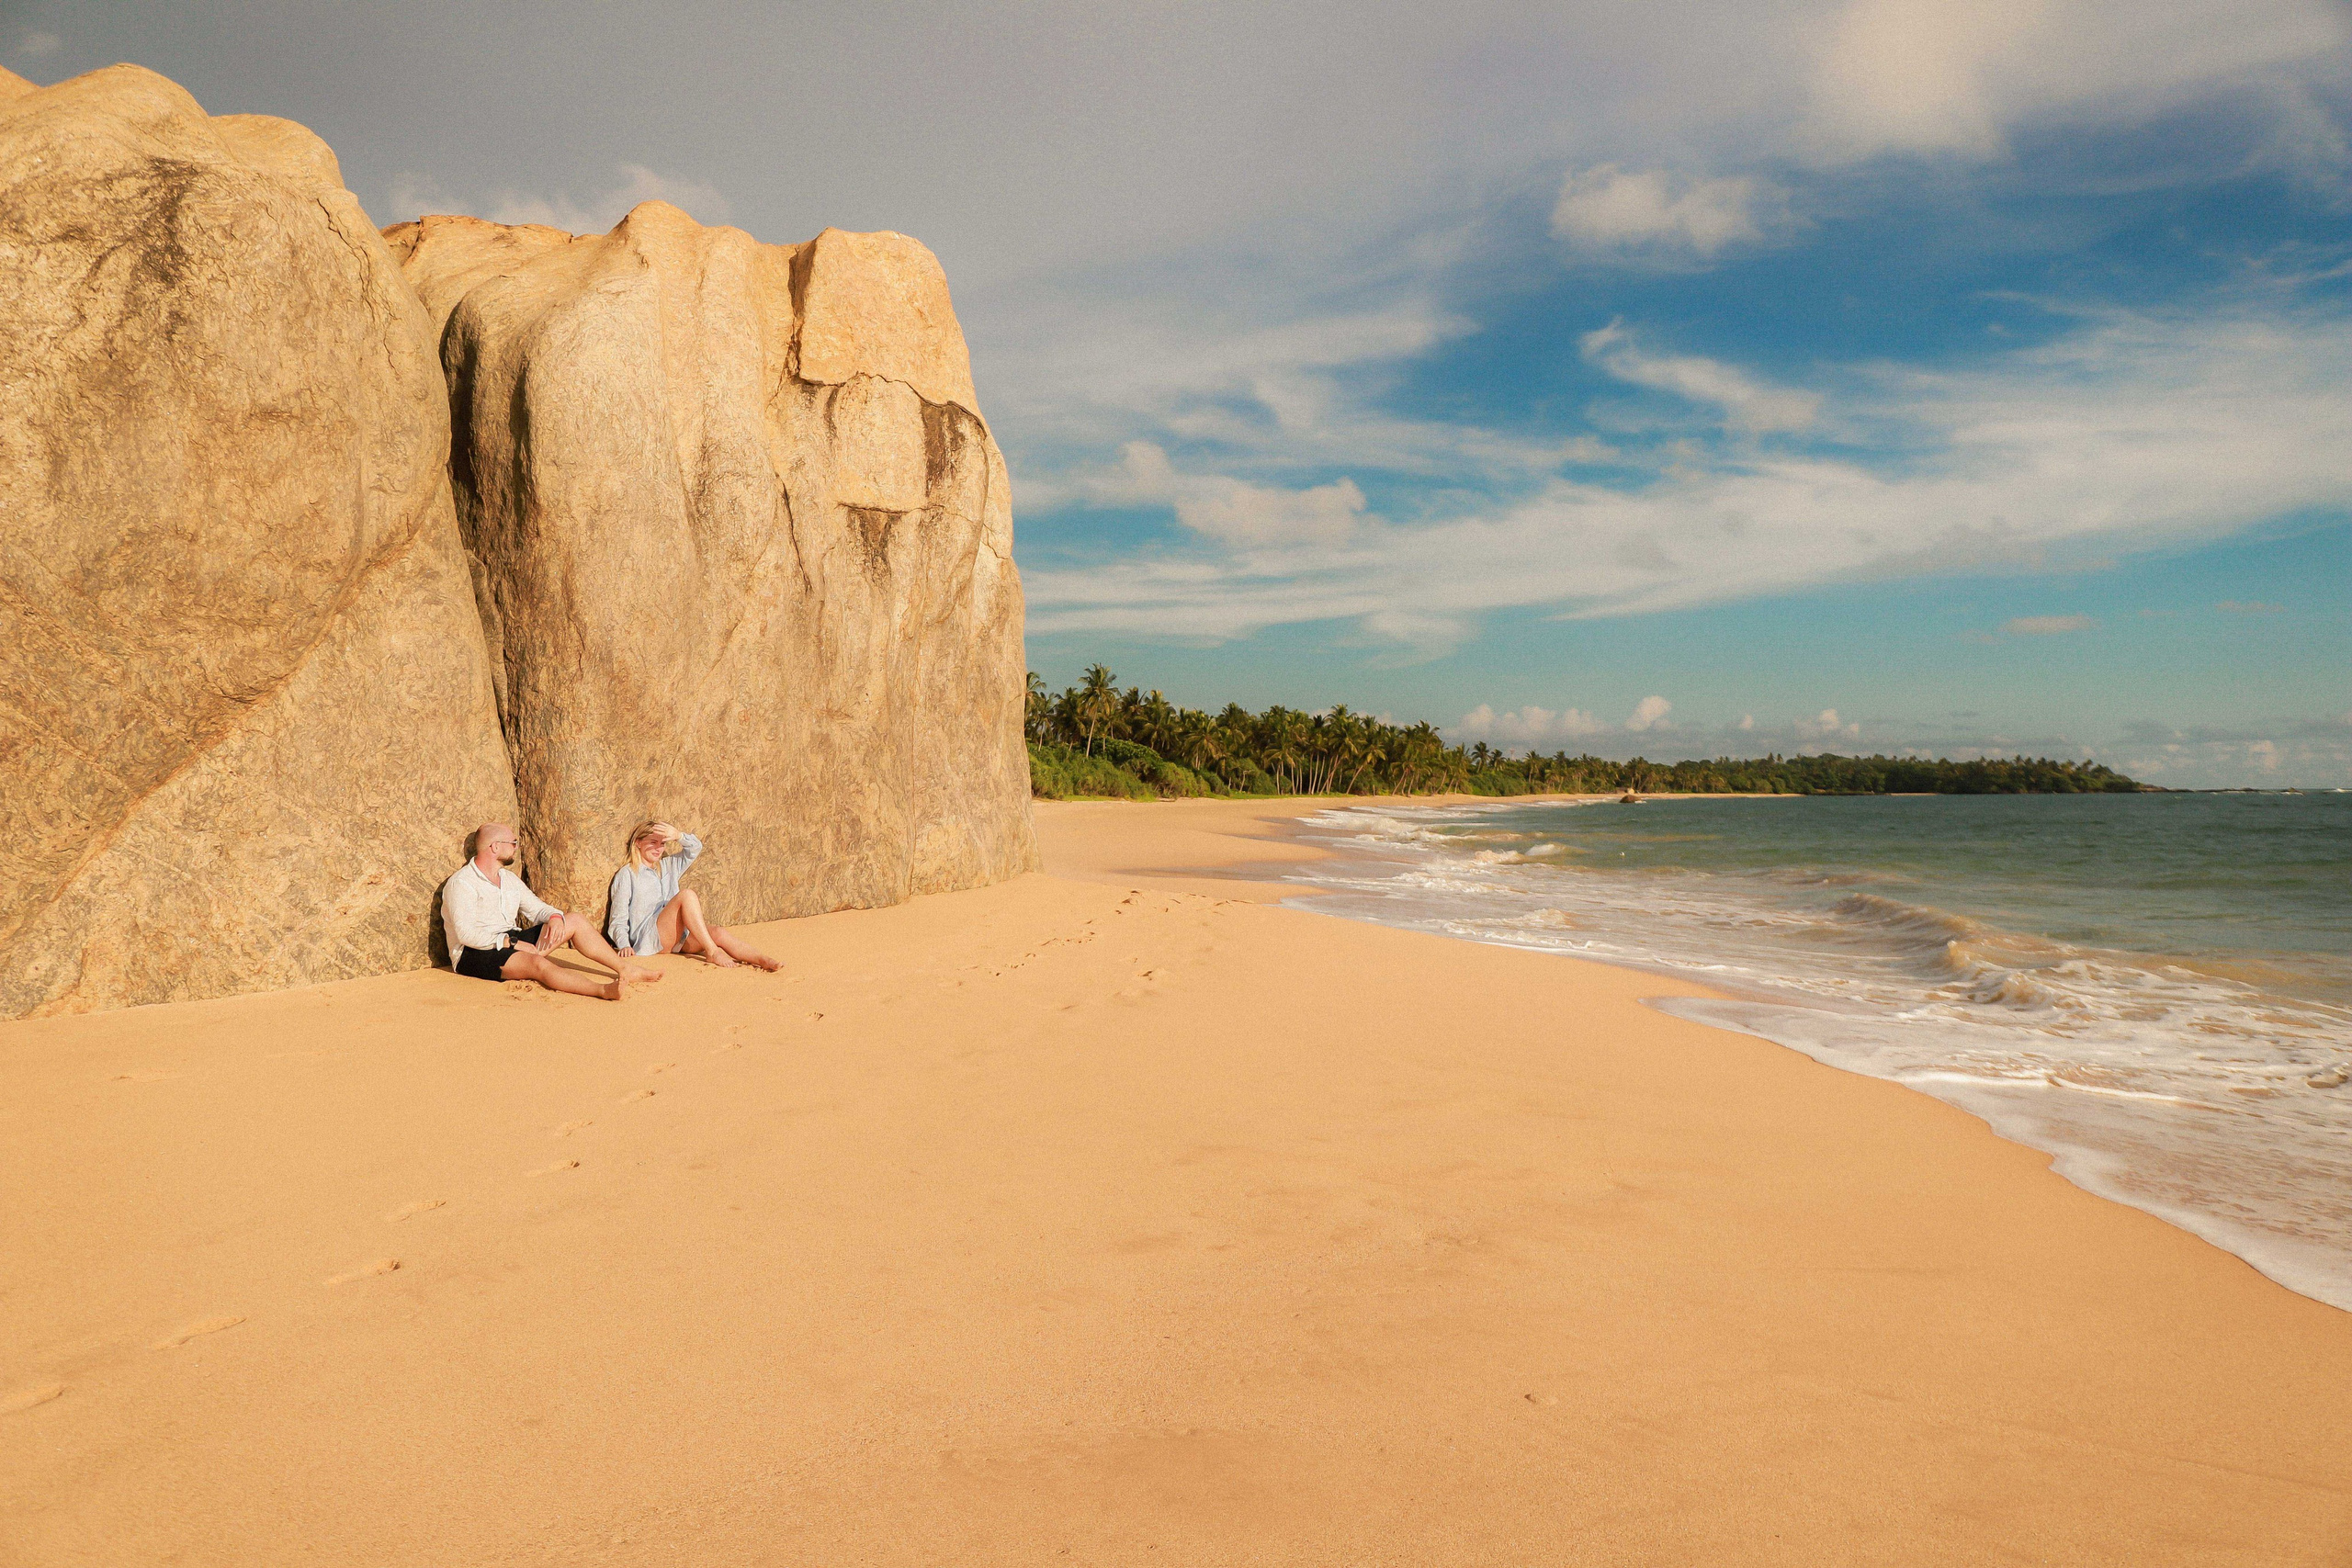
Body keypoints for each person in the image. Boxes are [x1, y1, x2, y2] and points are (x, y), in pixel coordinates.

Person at [441, 823, 663, 999]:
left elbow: (536, 907)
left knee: (573, 920)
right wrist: (512, 943)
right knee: (538, 964)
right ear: (495, 847)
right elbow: (466, 934)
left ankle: (626, 969)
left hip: (511, 939)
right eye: (513, 842)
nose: (516, 847)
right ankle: (603, 991)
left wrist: (554, 916)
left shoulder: (507, 879)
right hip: (475, 953)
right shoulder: (463, 883)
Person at [607, 819, 779, 971]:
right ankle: (712, 952)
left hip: (678, 937)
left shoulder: (668, 865)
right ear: (638, 843)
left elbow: (695, 848)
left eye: (662, 843)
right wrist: (624, 944)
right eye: (653, 842)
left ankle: (761, 959)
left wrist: (678, 835)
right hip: (651, 940)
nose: (659, 849)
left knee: (718, 933)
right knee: (686, 895)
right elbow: (618, 917)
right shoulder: (627, 874)